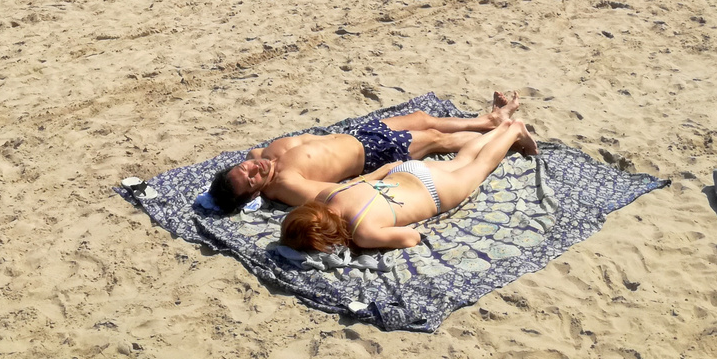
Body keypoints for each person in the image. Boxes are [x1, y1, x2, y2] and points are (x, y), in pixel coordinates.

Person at [208, 93, 521, 213]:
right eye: (251, 179)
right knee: (436, 139)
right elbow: (335, 193)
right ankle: (501, 133)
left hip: (357, 134)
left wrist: (243, 170)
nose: (254, 169)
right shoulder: (287, 184)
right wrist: (380, 175)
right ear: (254, 195)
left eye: (245, 168)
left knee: (423, 118)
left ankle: (488, 121)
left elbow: (252, 156)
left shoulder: (260, 157)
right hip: (372, 153)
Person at [279, 117, 538, 252]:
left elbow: (411, 238)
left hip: (433, 192)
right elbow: (364, 180)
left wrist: (361, 245)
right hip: (405, 173)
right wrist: (386, 170)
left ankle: (514, 131)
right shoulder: (330, 194)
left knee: (478, 167)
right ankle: (501, 128)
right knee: (465, 158)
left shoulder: (363, 232)